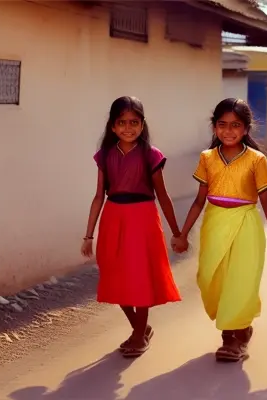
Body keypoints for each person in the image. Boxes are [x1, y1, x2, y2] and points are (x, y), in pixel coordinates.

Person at [173, 98, 267, 362]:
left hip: (246, 223)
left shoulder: (257, 160)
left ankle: (233, 339)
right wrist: (183, 233)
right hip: (214, 222)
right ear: (214, 127)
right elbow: (199, 199)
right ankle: (237, 329)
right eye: (222, 124)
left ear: (246, 129)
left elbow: (265, 201)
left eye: (236, 125)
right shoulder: (207, 158)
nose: (228, 131)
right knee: (211, 279)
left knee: (240, 281)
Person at [81, 96, 182, 358]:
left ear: (142, 124)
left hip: (143, 218)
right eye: (122, 122)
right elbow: (98, 196)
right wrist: (88, 234)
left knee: (141, 274)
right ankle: (141, 328)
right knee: (114, 275)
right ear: (112, 126)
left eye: (134, 122)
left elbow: (163, 195)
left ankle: (138, 336)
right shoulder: (104, 156)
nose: (128, 127)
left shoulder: (151, 155)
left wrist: (177, 232)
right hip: (113, 217)